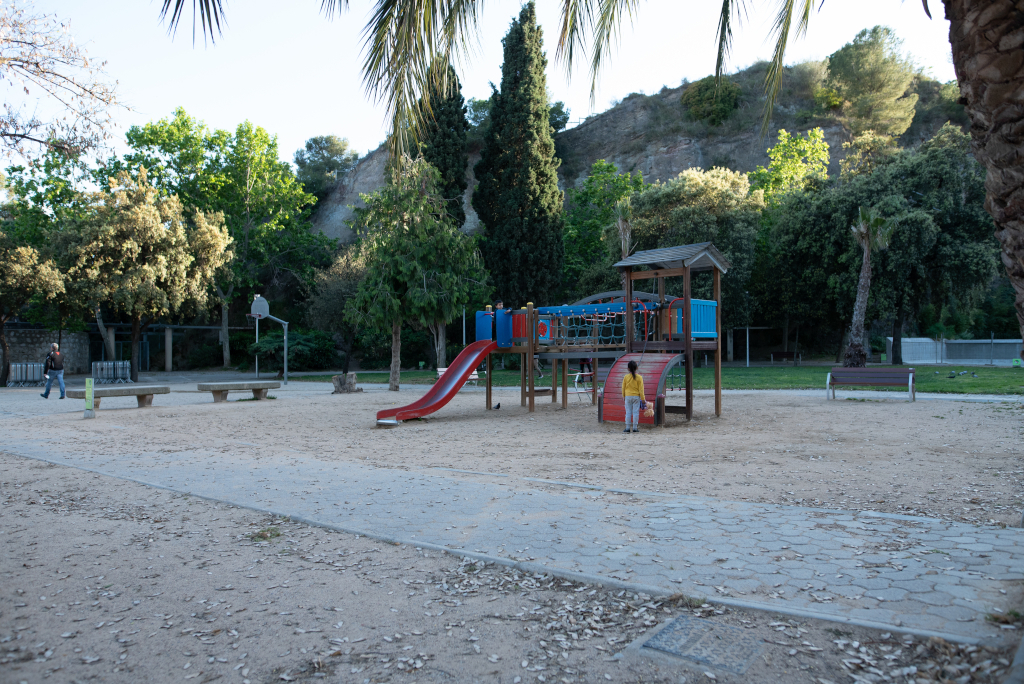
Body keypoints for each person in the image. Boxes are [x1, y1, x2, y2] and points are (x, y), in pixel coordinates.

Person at [620, 359, 644, 433]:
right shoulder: (639, 377)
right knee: (635, 412)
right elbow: (641, 389)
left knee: (628, 412)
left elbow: (623, 387)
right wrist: (643, 398)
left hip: (627, 396)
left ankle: (627, 428)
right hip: (636, 397)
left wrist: (623, 396)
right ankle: (635, 428)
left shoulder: (626, 377)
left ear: (628, 369)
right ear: (637, 368)